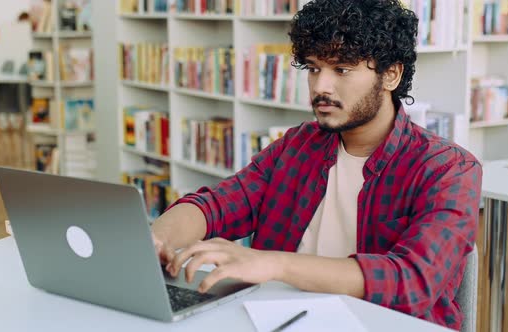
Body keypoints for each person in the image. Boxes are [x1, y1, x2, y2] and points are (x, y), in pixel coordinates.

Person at [151, 0, 481, 330]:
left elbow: (414, 280)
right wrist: (156, 239)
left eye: (342, 69)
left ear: (391, 75)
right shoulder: (298, 145)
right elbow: (217, 205)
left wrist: (274, 265)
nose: (320, 86)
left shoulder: (449, 169)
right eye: (312, 68)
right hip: (282, 317)